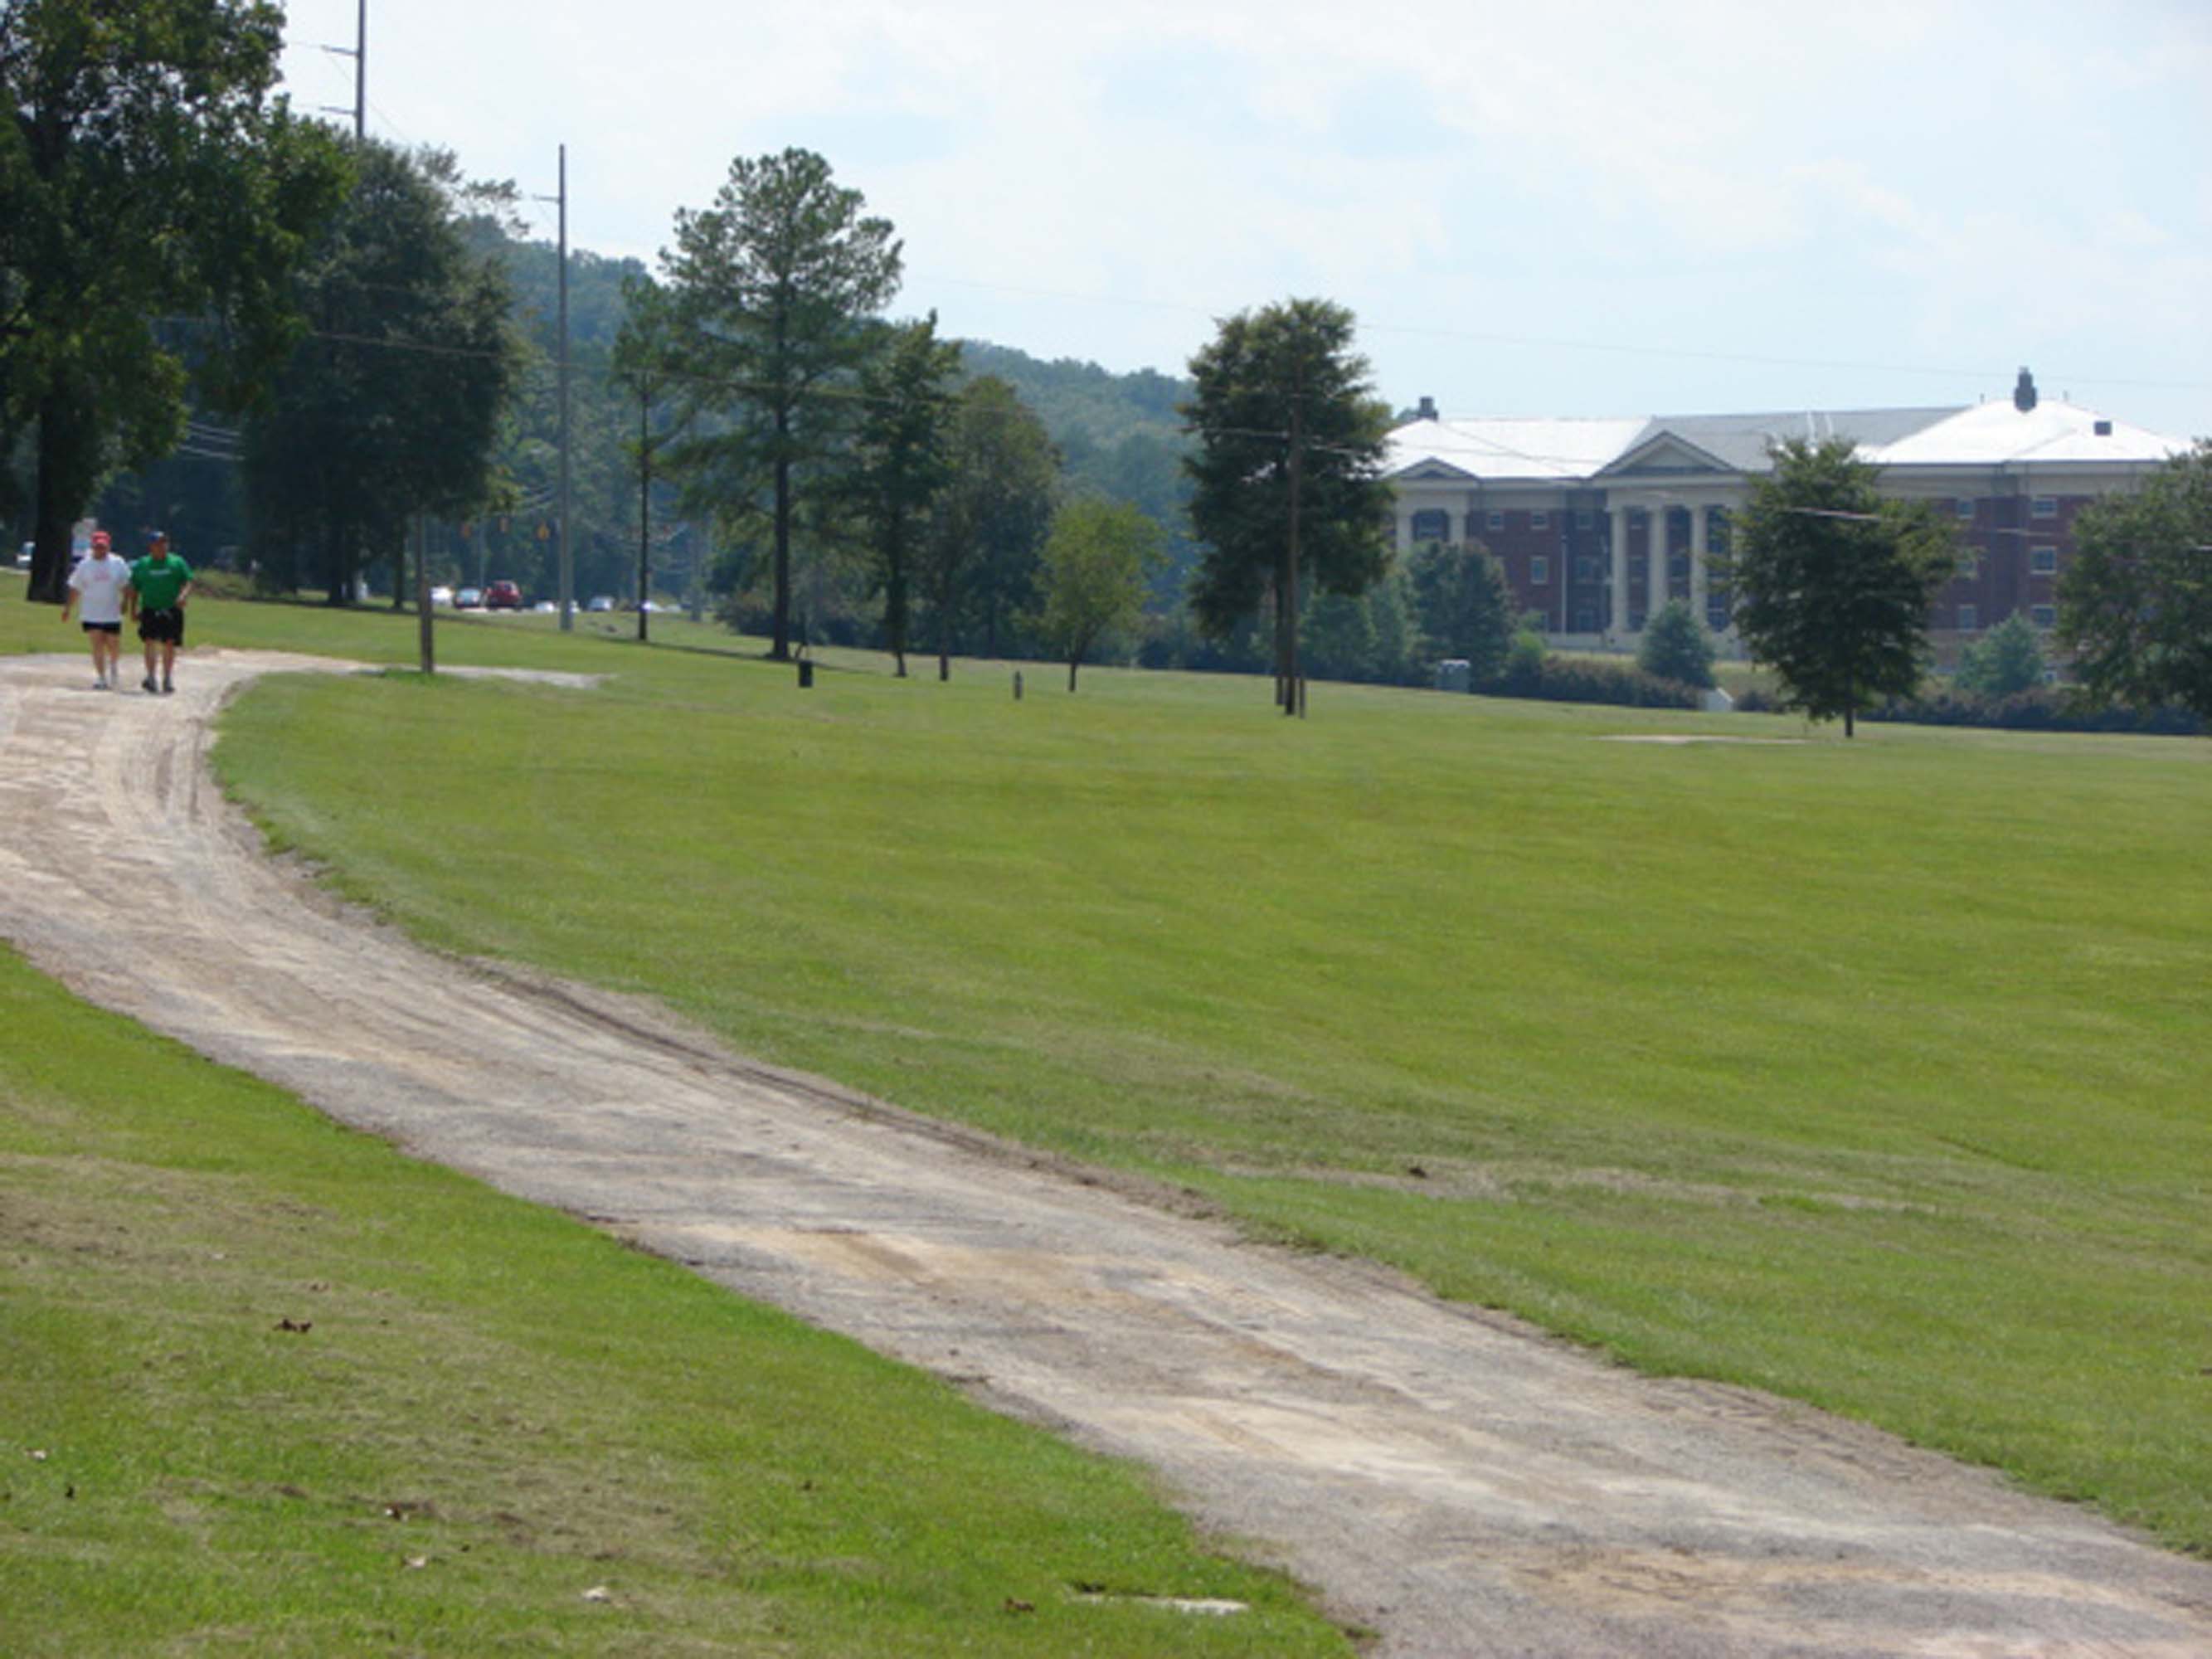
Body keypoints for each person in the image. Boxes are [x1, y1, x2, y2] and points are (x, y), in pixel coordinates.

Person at [125, 529, 195, 695]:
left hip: (171, 608)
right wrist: (133, 609)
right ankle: (151, 677)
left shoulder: (177, 562)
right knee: (149, 641)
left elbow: (188, 581)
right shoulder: (143, 564)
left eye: (164, 543)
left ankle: (168, 678)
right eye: (158, 543)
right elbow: (134, 588)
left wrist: (183, 596)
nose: (162, 546)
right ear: (151, 546)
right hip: (150, 608)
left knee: (169, 643)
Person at [61, 530, 130, 688]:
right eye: (97, 546)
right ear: (92, 546)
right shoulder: (84, 565)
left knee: (113, 644)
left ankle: (113, 665)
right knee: (97, 644)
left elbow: (126, 585)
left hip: (112, 613)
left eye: (103, 547)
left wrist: (126, 602)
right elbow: (75, 588)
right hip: (91, 612)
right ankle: (101, 677)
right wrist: (68, 609)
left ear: (108, 546)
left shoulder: (117, 563)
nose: (100, 550)